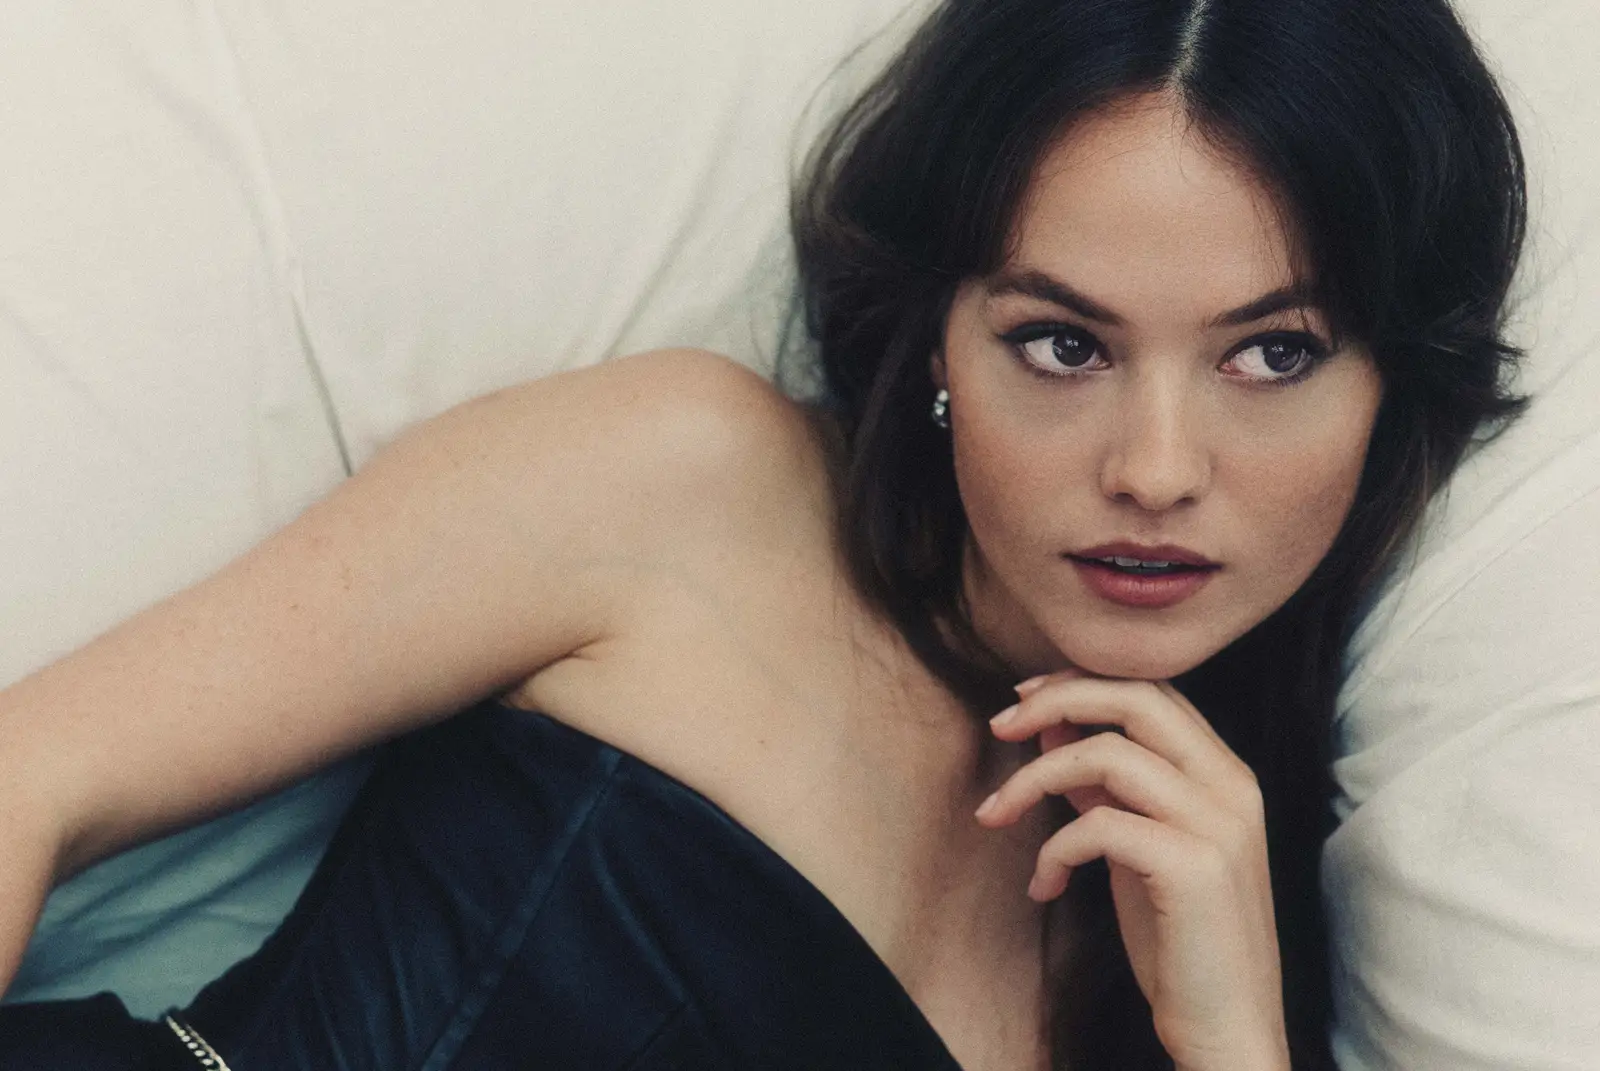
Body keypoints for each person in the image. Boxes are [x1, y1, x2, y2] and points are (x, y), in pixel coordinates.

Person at [0, 0, 1525, 1068]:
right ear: (940, 340)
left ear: (1392, 387)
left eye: (1273, 354)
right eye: (1062, 343)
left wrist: (1235, 1041)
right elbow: (32, 775)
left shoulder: (1240, 924)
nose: (1156, 468)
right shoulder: (697, 483)